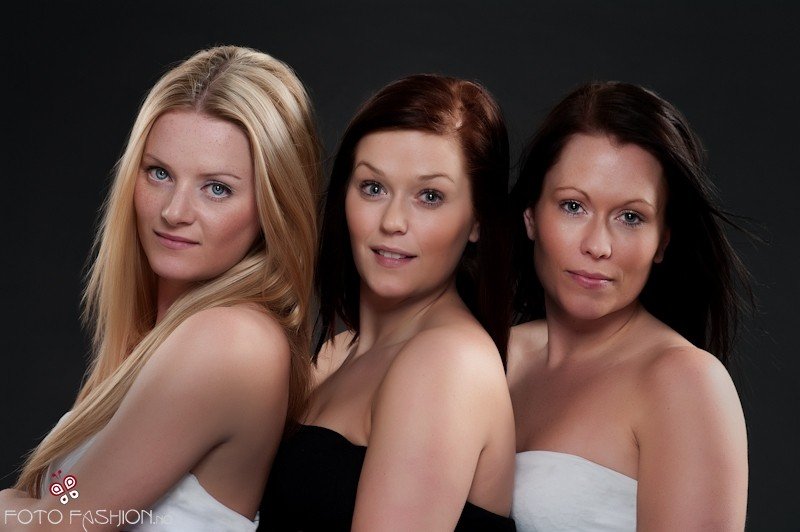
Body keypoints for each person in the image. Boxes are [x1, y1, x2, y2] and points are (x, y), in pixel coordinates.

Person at [0, 45, 321, 531]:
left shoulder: (227, 340)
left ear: (273, 206)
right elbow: (68, 493)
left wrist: (20, 506)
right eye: (159, 173)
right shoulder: (154, 343)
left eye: (217, 188)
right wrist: (34, 505)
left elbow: (59, 524)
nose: (174, 211)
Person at [260, 74, 517, 531]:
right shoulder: (334, 353)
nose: (393, 221)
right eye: (373, 188)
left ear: (478, 219)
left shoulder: (448, 363)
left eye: (430, 196)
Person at [506, 81, 749, 531]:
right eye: (573, 206)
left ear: (662, 242)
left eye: (631, 217)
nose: (598, 245)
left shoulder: (684, 382)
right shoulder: (488, 356)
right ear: (531, 216)